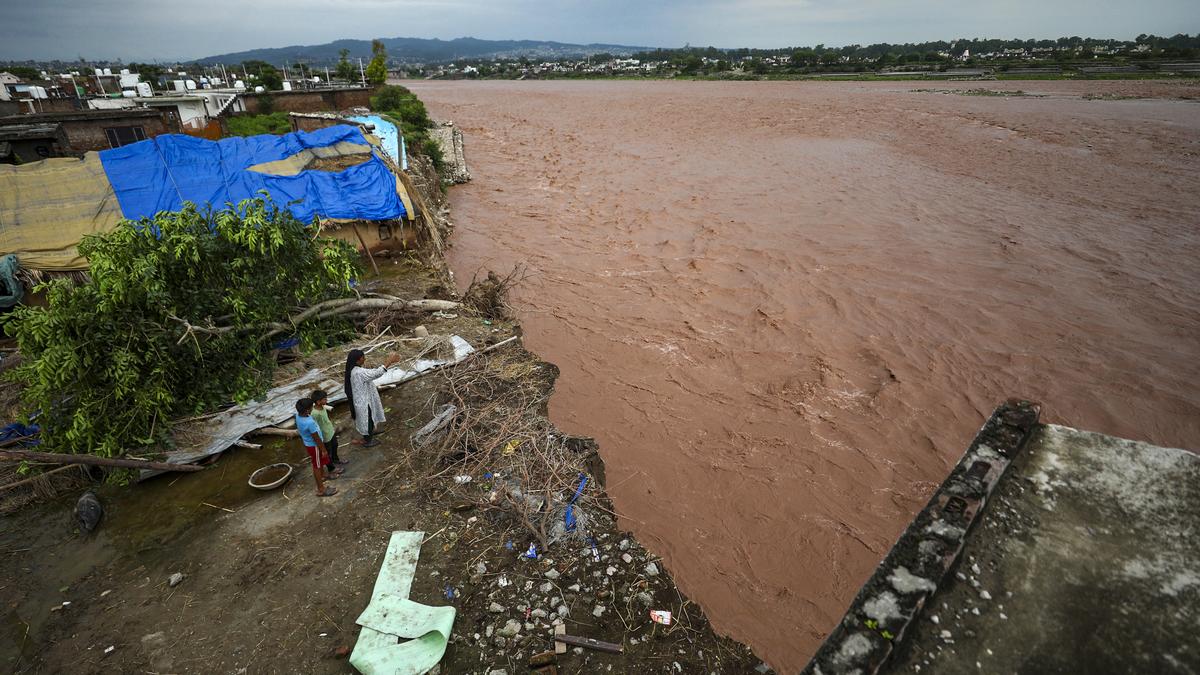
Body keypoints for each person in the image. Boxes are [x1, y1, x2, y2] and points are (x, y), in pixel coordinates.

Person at [344, 348, 401, 447]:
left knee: (369, 418)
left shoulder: (354, 370)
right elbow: (376, 373)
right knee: (368, 419)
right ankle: (367, 441)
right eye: (363, 357)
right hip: (364, 401)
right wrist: (389, 361)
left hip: (364, 399)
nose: (364, 359)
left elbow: (371, 372)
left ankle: (369, 433)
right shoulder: (358, 372)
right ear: (357, 360)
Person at [295, 397, 337, 497]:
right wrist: (323, 450)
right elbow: (316, 438)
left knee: (319, 462)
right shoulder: (309, 423)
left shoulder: (298, 416)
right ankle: (321, 489)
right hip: (315, 446)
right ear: (307, 410)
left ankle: (323, 476)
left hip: (310, 444)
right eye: (311, 407)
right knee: (316, 466)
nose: (313, 408)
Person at [309, 388, 346, 471]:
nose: (327, 400)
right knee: (328, 452)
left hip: (330, 431)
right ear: (318, 402)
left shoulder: (322, 406)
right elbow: (314, 427)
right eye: (325, 399)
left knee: (335, 445)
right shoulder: (314, 413)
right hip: (324, 435)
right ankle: (331, 468)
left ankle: (336, 460)